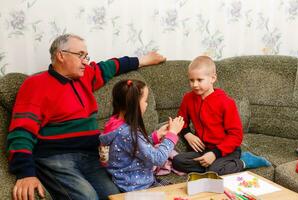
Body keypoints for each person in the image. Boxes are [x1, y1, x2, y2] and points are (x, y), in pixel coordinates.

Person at [6, 33, 166, 200]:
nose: (85, 61)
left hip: (90, 155)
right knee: (88, 197)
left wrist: (144, 60)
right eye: (80, 55)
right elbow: (21, 131)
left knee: (114, 196)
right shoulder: (35, 85)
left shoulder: (86, 76)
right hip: (56, 157)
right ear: (61, 55)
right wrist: (25, 173)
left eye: (86, 56)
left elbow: (111, 66)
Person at [172, 56, 271, 175]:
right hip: (203, 149)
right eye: (191, 80)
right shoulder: (188, 99)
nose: (195, 85)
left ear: (212, 78)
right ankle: (211, 166)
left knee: (214, 171)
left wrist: (215, 154)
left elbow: (236, 135)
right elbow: (180, 121)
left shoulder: (226, 103)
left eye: (199, 80)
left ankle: (244, 161)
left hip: (226, 150)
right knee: (177, 161)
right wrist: (187, 134)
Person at [99, 79, 184, 192]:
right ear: (134, 104)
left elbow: (134, 147)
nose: (147, 104)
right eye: (145, 100)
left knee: (178, 191)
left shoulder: (114, 124)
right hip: (138, 188)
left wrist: (156, 135)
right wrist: (172, 134)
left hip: (132, 182)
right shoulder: (127, 133)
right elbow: (158, 159)